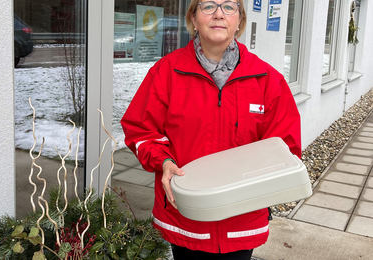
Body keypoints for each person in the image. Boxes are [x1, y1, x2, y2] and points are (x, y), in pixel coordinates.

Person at [121, 0, 301, 259]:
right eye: (208, 6)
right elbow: (140, 129)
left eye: (229, 7)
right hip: (186, 215)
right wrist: (164, 161)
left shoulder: (267, 79)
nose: (219, 14)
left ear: (239, 20)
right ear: (193, 19)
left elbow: (286, 146)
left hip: (241, 218)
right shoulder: (166, 73)